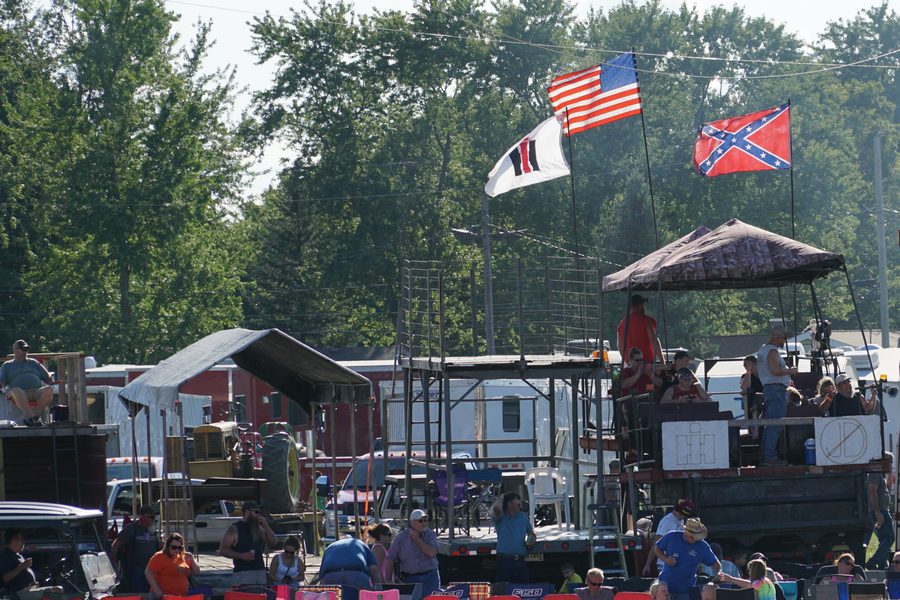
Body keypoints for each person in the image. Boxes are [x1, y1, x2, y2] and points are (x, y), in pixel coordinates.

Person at [757, 325, 799, 467]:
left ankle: (766, 456)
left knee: (770, 424)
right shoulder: (772, 351)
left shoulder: (762, 350)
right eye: (783, 338)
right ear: (777, 337)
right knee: (775, 424)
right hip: (776, 390)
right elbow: (775, 370)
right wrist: (790, 371)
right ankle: (770, 457)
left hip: (770, 389)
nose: (784, 341)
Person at [654, 518, 720, 600]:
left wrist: (718, 575)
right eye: (693, 537)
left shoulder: (702, 546)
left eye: (697, 537)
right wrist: (665, 559)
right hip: (666, 588)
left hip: (686, 591)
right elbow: (657, 548)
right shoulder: (671, 536)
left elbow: (715, 563)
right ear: (686, 533)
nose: (695, 539)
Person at [218, 500, 277, 587]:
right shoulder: (235, 529)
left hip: (260, 571)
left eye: (259, 513)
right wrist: (241, 555)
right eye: (256, 512)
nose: (258, 515)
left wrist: (266, 525)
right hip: (243, 573)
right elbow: (223, 550)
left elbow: (273, 542)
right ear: (247, 512)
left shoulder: (259, 528)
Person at [385, 510, 439, 596]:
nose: (424, 523)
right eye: (420, 521)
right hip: (410, 578)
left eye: (425, 520)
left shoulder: (430, 534)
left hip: (430, 577)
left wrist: (416, 539)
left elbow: (432, 553)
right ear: (412, 522)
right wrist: (388, 580)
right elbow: (391, 558)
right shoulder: (401, 537)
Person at [0, 340, 53, 426]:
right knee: (15, 390)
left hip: (37, 391)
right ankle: (34, 418)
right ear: (15, 350)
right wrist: (5, 390)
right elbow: (1, 380)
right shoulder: (7, 365)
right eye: (22, 349)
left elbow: (47, 377)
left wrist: (50, 383)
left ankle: (29, 417)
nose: (25, 352)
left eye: (26, 350)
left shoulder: (34, 362)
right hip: (21, 393)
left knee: (48, 389)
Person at [0, 529, 63, 600]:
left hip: (29, 589)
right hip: (18, 593)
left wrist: (32, 583)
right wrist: (21, 567)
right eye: (21, 540)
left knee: (58, 589)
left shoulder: (18, 555)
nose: (23, 542)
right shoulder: (6, 556)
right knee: (56, 591)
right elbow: (4, 578)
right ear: (13, 540)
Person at [110, 504, 161, 593]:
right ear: (142, 517)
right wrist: (113, 565)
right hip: (136, 571)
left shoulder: (152, 530)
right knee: (138, 594)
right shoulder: (131, 529)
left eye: (154, 517)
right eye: (151, 517)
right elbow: (115, 545)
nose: (153, 520)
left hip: (152, 570)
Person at [492, 491, 536, 583]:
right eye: (517, 502)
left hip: (520, 561)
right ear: (509, 504)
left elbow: (531, 533)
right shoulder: (501, 517)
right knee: (504, 591)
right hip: (504, 561)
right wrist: (503, 497)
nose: (520, 504)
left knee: (524, 589)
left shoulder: (523, 516)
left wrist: (531, 540)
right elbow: (496, 508)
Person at [642, 499, 694, 576]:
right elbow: (656, 544)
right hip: (664, 565)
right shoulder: (667, 522)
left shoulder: (681, 521)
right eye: (681, 514)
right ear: (676, 509)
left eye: (685, 515)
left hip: (677, 564)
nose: (682, 516)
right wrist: (647, 565)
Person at [865, 452, 895, 570]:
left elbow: (888, 488)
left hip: (882, 510)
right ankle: (873, 561)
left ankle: (882, 566)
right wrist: (878, 513)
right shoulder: (875, 472)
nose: (891, 464)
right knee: (889, 538)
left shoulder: (881, 474)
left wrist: (890, 472)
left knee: (884, 539)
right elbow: (873, 490)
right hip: (880, 512)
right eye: (890, 462)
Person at [145, 532, 199, 598]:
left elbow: (197, 572)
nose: (177, 550)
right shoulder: (160, 556)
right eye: (174, 547)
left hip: (181, 596)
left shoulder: (184, 556)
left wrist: (192, 560)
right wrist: (157, 590)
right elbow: (148, 572)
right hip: (164, 595)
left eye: (179, 547)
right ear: (167, 546)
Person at [617, 294, 665, 367]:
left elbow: (620, 346)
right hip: (646, 363)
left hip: (631, 364)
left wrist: (627, 361)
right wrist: (662, 360)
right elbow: (653, 340)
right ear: (641, 305)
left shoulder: (622, 324)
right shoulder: (647, 321)